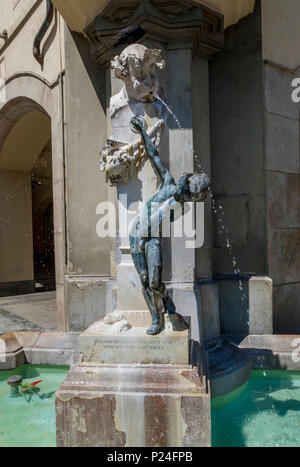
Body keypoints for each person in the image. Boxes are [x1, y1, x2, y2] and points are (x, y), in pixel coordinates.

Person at [129, 116, 209, 335]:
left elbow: (162, 218)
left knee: (155, 282)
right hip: (136, 235)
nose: (190, 197)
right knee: (145, 279)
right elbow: (154, 155)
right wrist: (143, 132)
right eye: (191, 193)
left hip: (153, 238)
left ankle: (170, 308)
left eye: (193, 197)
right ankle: (157, 319)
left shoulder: (183, 207)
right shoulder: (168, 183)